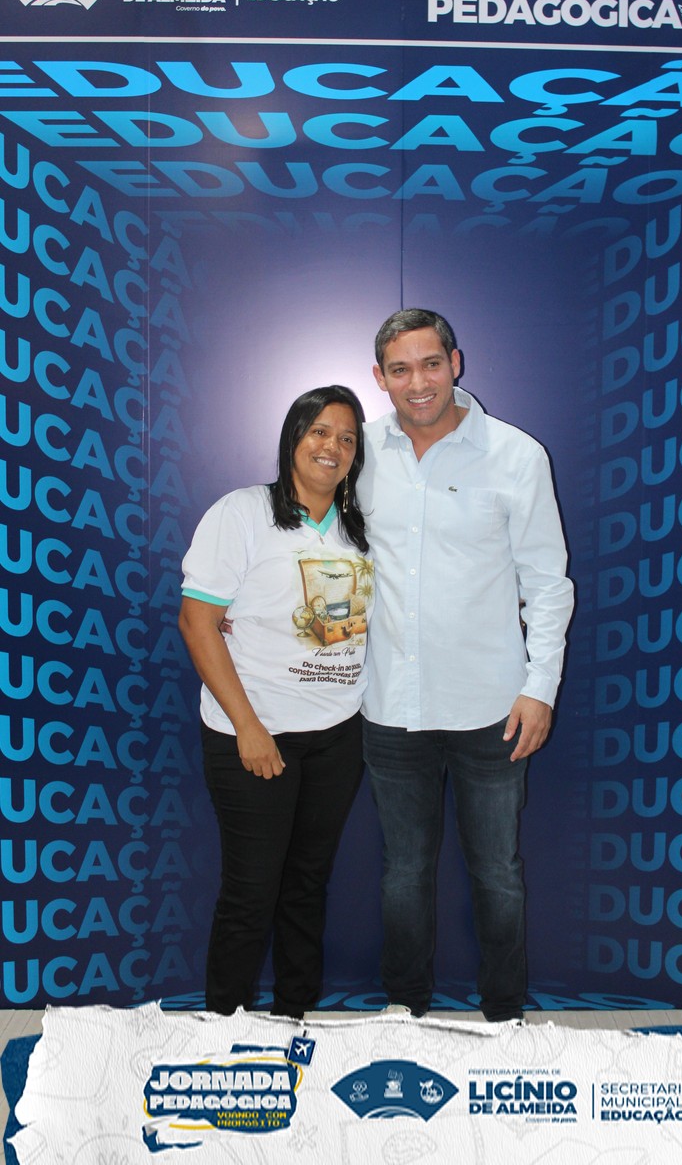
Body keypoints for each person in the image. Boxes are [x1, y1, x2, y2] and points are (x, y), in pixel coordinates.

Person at [359, 309, 573, 1023]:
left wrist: (540, 688)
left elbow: (548, 584)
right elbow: (312, 548)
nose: (417, 382)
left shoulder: (517, 455)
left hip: (493, 709)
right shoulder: (358, 453)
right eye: (400, 369)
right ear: (380, 378)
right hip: (391, 707)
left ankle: (504, 1017)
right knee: (403, 873)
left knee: (497, 874)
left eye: (430, 363)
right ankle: (405, 1014)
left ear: (456, 362)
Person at [179, 384, 373, 1019]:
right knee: (251, 892)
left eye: (347, 438)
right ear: (293, 437)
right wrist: (249, 727)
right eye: (319, 431)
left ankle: (294, 1018)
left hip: (337, 735)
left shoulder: (359, 528)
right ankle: (223, 1031)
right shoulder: (242, 512)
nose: (332, 447)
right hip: (254, 733)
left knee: (306, 886)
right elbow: (197, 623)